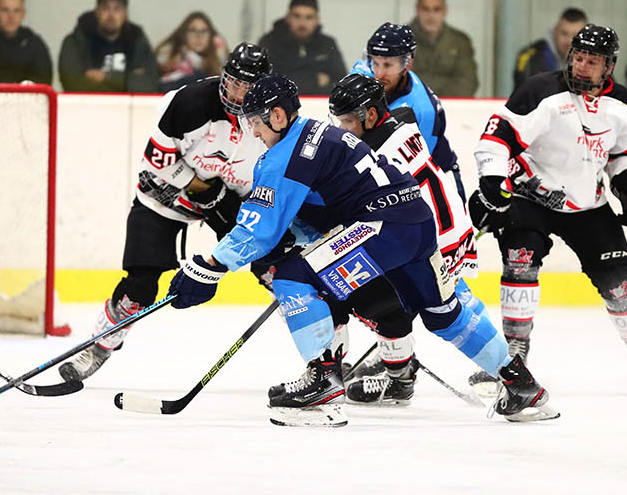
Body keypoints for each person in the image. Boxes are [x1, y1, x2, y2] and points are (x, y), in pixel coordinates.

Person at [167, 73, 554, 427]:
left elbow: (259, 231)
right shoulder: (316, 132)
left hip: (382, 226)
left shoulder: (286, 156)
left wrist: (206, 267)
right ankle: (520, 383)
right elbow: (319, 207)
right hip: (416, 224)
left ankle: (322, 380)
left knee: (291, 279)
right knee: (443, 313)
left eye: (255, 121)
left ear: (279, 116)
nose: (252, 130)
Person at [58, 43, 273, 382]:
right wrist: (201, 187)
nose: (237, 94)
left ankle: (323, 357)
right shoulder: (188, 102)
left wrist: (248, 218)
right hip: (166, 194)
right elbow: (157, 162)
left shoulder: (270, 120)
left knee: (277, 267)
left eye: (247, 88)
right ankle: (100, 343)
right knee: (140, 287)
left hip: (228, 197)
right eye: (233, 82)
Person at [469, 24, 627, 391]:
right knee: (520, 261)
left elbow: (624, 154)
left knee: (621, 285)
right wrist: (492, 179)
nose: (582, 65)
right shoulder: (540, 91)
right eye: (577, 57)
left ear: (609, 66)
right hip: (532, 197)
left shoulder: (625, 107)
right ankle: (514, 354)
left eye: (592, 60)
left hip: (588, 203)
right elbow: (497, 138)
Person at [328, 73, 484, 404]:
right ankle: (397, 363)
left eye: (347, 120)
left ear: (370, 115)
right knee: (445, 307)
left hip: (427, 236)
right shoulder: (403, 122)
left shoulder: (374, 154)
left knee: (393, 297)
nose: (342, 128)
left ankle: (399, 371)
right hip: (448, 226)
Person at [352, 23, 466, 202]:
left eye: (388, 65)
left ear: (408, 64)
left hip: (434, 179)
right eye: (375, 63)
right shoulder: (362, 74)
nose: (379, 73)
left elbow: (413, 170)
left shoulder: (422, 110)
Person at [58, 0, 159, 92]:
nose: (111, 14)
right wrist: (129, 78)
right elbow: (72, 85)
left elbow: (150, 85)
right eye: (105, 8)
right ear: (97, 12)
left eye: (117, 9)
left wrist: (107, 76)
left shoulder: (137, 41)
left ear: (125, 14)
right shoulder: (76, 41)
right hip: (87, 107)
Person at [258, 0, 346, 95]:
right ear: (288, 17)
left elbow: (342, 84)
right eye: (297, 16)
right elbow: (262, 83)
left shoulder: (327, 44)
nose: (302, 24)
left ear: (317, 20)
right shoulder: (269, 42)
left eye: (309, 17)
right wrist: (314, 80)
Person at [408, 0, 477, 97]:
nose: (431, 16)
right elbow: (402, 83)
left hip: (453, 108)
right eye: (425, 9)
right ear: (417, 9)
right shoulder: (401, 40)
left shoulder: (460, 42)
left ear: (445, 10)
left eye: (436, 9)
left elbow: (468, 83)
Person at [513, 7, 587, 92]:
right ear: (555, 32)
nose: (569, 41)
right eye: (564, 33)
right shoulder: (534, 57)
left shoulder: (598, 59)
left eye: (576, 35)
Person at [155, 11, 228, 92]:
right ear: (184, 35)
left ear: (211, 36)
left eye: (204, 31)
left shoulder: (220, 62)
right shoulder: (169, 59)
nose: (199, 36)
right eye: (193, 31)